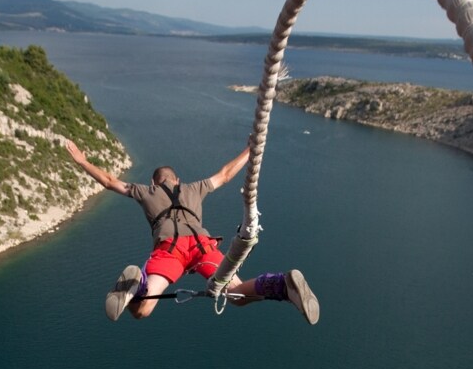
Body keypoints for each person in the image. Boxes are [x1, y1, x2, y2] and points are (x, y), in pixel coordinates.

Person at [66, 139, 320, 324]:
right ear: (177, 180)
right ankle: (282, 284)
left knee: (142, 310)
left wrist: (82, 161)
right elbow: (225, 175)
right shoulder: (194, 188)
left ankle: (138, 283)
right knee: (237, 295)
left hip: (169, 250)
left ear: (155, 182)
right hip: (202, 246)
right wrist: (250, 150)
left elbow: (110, 182)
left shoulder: (146, 191)